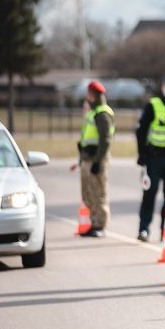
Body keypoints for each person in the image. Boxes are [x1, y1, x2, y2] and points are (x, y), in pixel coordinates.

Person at [135, 73, 165, 241]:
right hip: (154, 157)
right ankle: (144, 229)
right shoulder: (153, 105)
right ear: (163, 87)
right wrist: (142, 155)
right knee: (150, 193)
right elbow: (141, 131)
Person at [70, 80, 114, 238]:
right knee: (87, 194)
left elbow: (105, 140)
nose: (87, 97)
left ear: (95, 95)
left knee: (98, 193)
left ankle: (100, 225)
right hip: (87, 158)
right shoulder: (92, 112)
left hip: (96, 160)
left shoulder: (102, 113)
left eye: (89, 94)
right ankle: (93, 222)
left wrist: (98, 161)